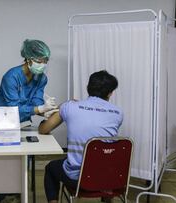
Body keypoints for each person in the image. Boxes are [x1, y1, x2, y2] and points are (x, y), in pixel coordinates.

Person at [39, 70, 123, 203]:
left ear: (88, 88)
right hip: (109, 178)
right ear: (110, 93)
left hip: (78, 179)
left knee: (51, 168)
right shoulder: (118, 113)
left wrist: (62, 106)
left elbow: (44, 129)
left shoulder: (70, 107)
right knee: (105, 156)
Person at [0, 39, 58, 122]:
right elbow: (14, 109)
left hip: (22, 122)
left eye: (45, 61)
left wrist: (45, 111)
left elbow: (36, 103)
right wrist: (41, 109)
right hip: (1, 120)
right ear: (28, 60)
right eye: (39, 61)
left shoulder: (42, 79)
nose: (43, 65)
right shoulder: (11, 77)